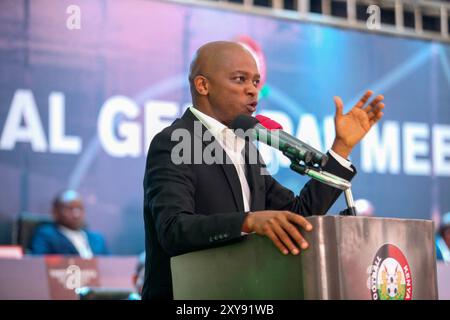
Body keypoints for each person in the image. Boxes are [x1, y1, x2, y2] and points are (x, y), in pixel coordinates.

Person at [142, 41, 385, 299]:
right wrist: (248, 221)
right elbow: (173, 229)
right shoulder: (174, 141)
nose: (252, 91)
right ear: (203, 85)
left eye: (256, 82)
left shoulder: (246, 147)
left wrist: (341, 148)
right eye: (240, 79)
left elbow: (299, 215)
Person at [30, 190, 109, 258]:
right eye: (69, 209)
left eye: (80, 208)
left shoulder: (97, 239)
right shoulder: (47, 235)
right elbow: (39, 265)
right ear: (55, 212)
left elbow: (111, 265)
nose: (76, 214)